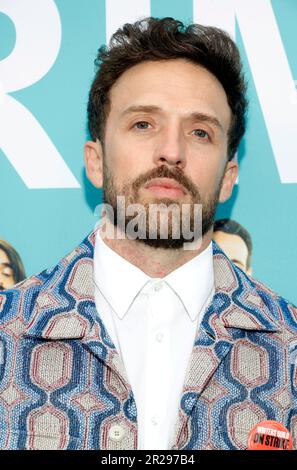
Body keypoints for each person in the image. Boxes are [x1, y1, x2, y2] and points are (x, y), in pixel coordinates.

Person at [0, 17, 296, 451]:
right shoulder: (9, 330)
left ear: (229, 176)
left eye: (200, 132)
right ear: (95, 160)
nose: (172, 151)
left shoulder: (289, 347)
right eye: (143, 124)